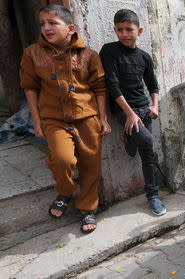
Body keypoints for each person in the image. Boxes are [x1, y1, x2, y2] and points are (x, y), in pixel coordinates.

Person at [20, 5, 111, 234]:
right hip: (54, 118)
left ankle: (87, 208)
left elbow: (100, 87)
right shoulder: (32, 53)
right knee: (63, 160)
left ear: (70, 28)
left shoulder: (89, 55)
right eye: (42, 24)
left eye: (52, 23)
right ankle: (65, 189)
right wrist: (37, 121)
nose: (46, 28)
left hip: (87, 116)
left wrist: (103, 118)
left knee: (91, 164)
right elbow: (30, 88)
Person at [99, 9, 165, 216]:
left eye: (129, 29)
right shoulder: (109, 51)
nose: (124, 34)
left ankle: (153, 196)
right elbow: (113, 85)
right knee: (146, 141)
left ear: (140, 31)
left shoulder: (144, 57)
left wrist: (155, 106)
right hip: (123, 110)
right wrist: (128, 114)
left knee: (147, 154)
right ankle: (131, 138)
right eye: (120, 30)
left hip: (144, 108)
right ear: (115, 30)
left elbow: (153, 85)